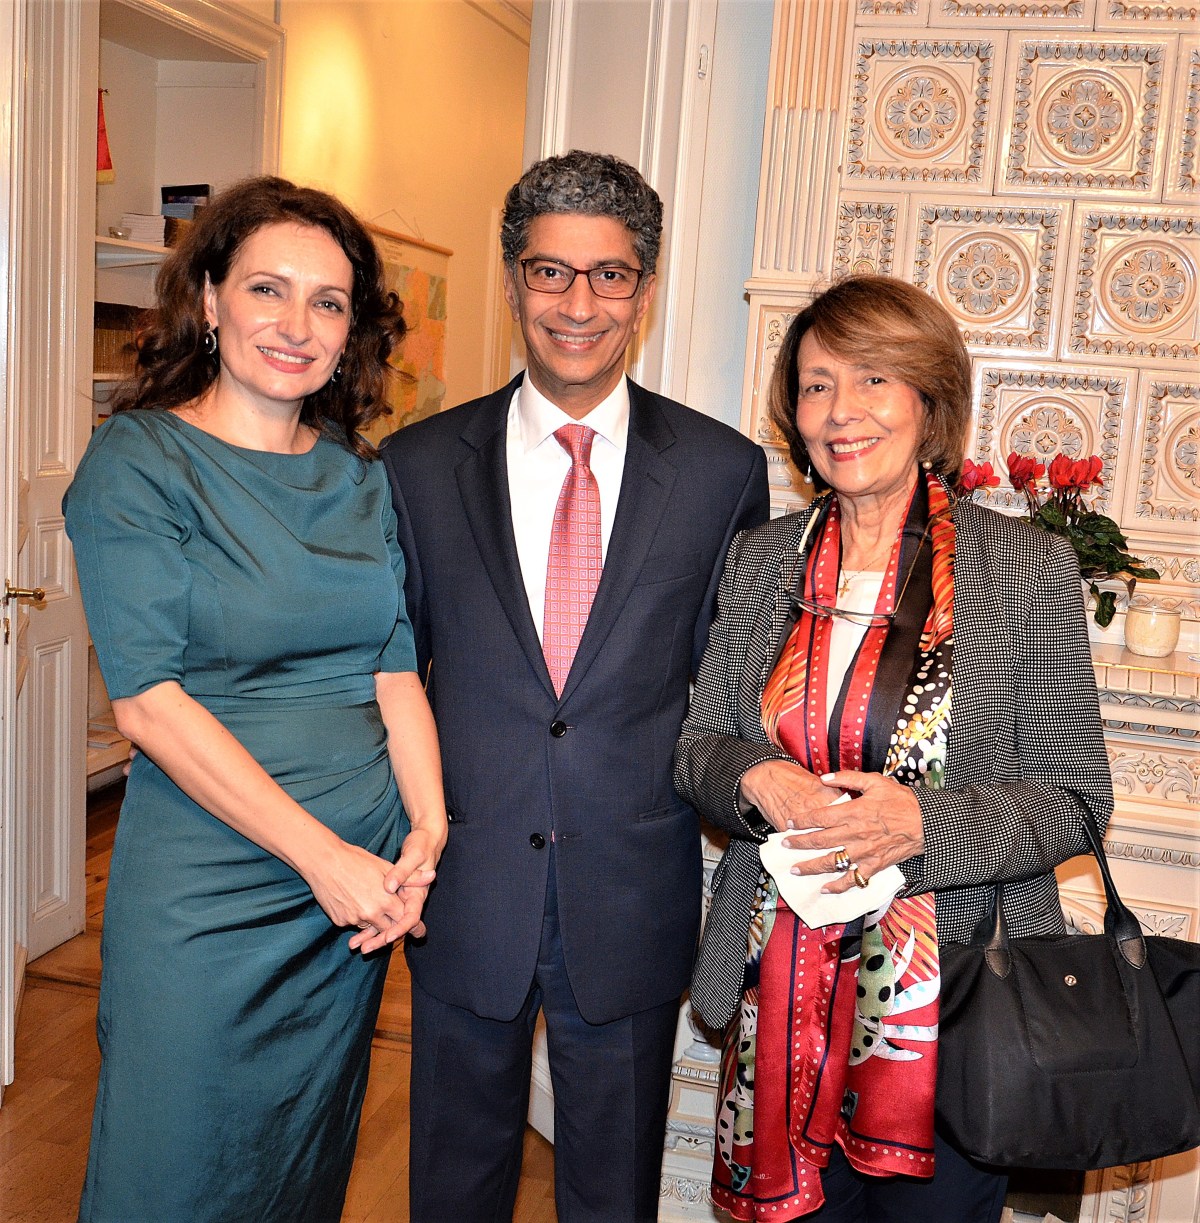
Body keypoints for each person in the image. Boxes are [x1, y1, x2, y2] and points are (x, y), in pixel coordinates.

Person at [379, 149, 770, 1222]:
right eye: (551, 271)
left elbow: (728, 690)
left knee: (612, 1195)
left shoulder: (723, 471)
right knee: (452, 1186)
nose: (578, 303)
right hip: (466, 887)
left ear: (645, 289)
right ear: (514, 280)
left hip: (630, 892)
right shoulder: (415, 465)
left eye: (609, 274)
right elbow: (391, 674)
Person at [674, 275, 1114, 1222]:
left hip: (954, 1008)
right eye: (817, 384)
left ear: (928, 398)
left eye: (873, 378)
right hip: (773, 993)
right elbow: (697, 745)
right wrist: (757, 776)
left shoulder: (1025, 567)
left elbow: (1078, 798)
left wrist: (923, 824)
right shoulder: (762, 559)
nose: (842, 410)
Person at [64, 176, 448, 1222]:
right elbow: (148, 703)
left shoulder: (358, 476)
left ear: (351, 331)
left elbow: (394, 667)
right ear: (209, 300)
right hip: (214, 887)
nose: (296, 324)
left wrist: (426, 831)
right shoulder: (139, 462)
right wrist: (326, 859)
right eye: (267, 289)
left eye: (327, 302)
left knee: (298, 1162)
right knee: (174, 1165)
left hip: (356, 896)